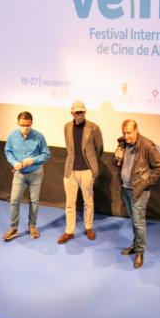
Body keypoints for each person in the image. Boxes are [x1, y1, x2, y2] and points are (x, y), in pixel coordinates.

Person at [112, 119, 160, 268]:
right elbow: (115, 162)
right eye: (124, 132)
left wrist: (146, 182)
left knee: (138, 222)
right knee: (134, 220)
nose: (126, 136)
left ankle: (140, 252)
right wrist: (117, 158)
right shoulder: (122, 143)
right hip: (125, 188)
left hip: (139, 190)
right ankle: (136, 245)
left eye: (128, 132)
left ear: (136, 130)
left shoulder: (147, 145)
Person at [58, 100, 104, 244]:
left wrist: (92, 163)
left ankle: (88, 227)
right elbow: (69, 148)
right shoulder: (67, 127)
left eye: (82, 112)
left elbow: (100, 148)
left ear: (85, 111)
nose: (79, 114)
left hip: (87, 171)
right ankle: (69, 231)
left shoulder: (93, 127)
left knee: (88, 201)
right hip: (70, 170)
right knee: (70, 203)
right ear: (72, 112)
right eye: (77, 112)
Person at [2, 111, 51, 241]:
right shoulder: (12, 136)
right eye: (22, 125)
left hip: (35, 173)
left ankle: (32, 227)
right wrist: (14, 162)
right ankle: (13, 228)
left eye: (27, 125)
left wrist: (33, 160)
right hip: (19, 174)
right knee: (14, 201)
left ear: (31, 123)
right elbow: (8, 151)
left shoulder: (39, 136)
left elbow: (46, 154)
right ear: (18, 123)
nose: (25, 128)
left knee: (34, 201)